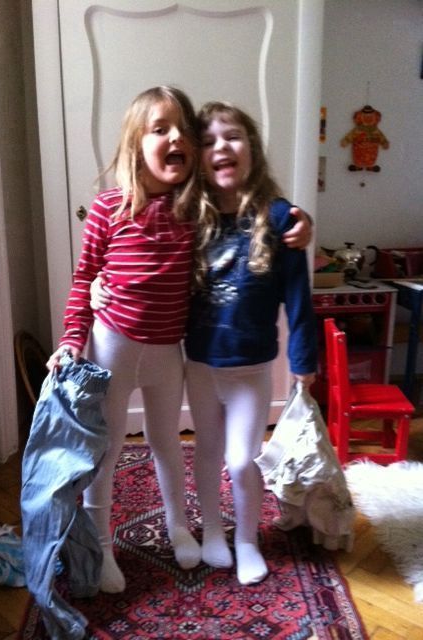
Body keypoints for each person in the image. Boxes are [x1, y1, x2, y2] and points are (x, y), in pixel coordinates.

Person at [56, 86, 313, 595]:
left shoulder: (192, 209)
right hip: (113, 347)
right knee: (107, 447)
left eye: (183, 131)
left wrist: (297, 220)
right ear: (136, 143)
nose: (176, 138)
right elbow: (84, 277)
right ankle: (101, 546)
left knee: (167, 441)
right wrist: (72, 337)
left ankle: (180, 527)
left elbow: (251, 212)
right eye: (160, 129)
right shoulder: (109, 207)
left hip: (170, 354)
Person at [183, 102, 317, 586]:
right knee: (206, 451)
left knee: (241, 460)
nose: (221, 147)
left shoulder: (280, 218)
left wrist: (304, 359)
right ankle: (211, 530)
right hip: (199, 363)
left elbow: (299, 297)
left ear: (252, 150)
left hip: (251, 369)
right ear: (198, 158)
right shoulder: (187, 216)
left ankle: (246, 540)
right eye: (208, 141)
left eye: (233, 136)